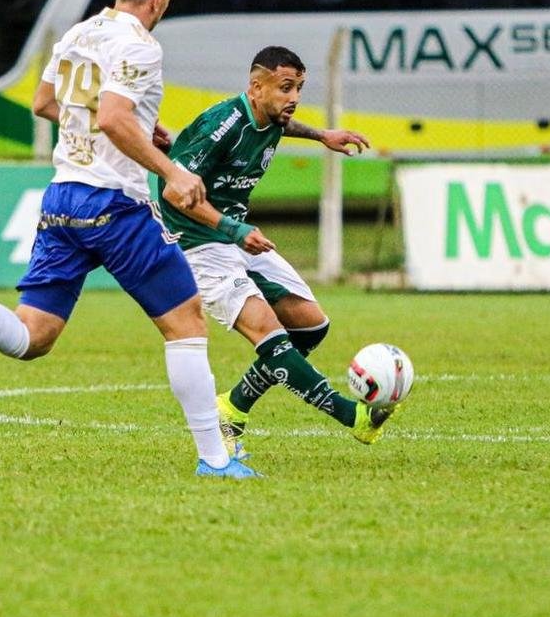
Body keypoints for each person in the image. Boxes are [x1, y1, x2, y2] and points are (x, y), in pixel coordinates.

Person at [0, 0, 258, 479]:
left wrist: (127, 127)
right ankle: (215, 459)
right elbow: (111, 118)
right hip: (114, 203)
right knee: (186, 323)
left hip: (63, 198)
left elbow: (44, 104)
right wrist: (171, 170)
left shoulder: (78, 34)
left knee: (34, 335)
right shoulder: (142, 47)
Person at [156, 45, 394, 451]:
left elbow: (283, 126)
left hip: (237, 234)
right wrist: (232, 228)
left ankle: (233, 406)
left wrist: (323, 135)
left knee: (310, 324)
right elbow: (174, 191)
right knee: (268, 332)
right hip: (198, 241)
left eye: (299, 88)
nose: (294, 98)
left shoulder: (270, 117)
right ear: (256, 87)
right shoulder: (224, 124)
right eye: (285, 88)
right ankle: (351, 415)